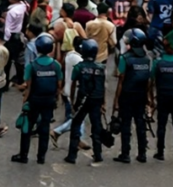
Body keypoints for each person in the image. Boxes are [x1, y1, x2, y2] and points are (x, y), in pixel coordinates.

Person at [12, 32, 61, 164]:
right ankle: (41, 157)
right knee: (44, 128)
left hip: (34, 100)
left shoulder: (32, 66)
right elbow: (59, 84)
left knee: (27, 127)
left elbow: (28, 86)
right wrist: (56, 98)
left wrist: (24, 102)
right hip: (49, 100)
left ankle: (23, 155)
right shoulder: (56, 65)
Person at [65, 38, 106, 165]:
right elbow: (102, 86)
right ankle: (98, 154)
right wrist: (103, 103)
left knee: (75, 125)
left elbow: (73, 85)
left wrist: (72, 101)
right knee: (96, 127)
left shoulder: (79, 67)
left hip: (82, 100)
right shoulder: (101, 68)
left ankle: (72, 155)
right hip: (96, 99)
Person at [113, 28, 150, 163]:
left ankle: (125, 154)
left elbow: (121, 80)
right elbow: (148, 82)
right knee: (140, 124)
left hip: (127, 95)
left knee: (126, 125)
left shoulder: (125, 59)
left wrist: (116, 101)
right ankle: (142, 154)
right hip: (141, 95)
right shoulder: (146, 59)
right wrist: (148, 99)